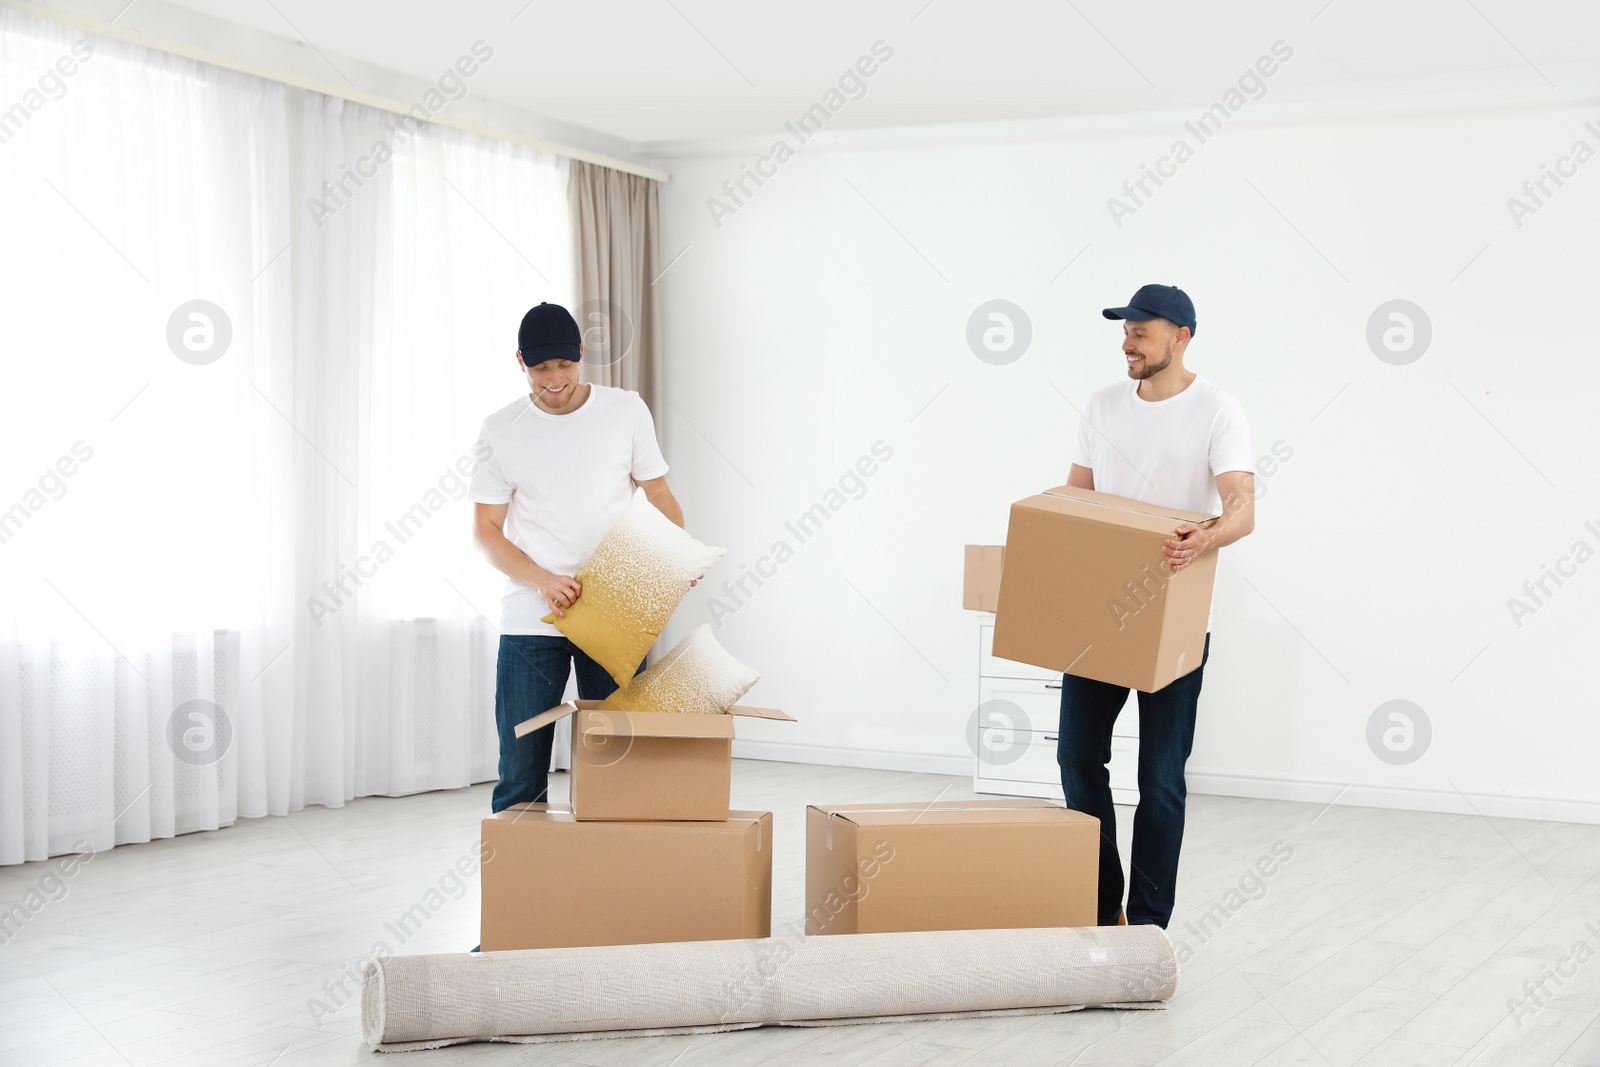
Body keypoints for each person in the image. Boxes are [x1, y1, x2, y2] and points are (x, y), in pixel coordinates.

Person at [1056, 284, 1255, 928]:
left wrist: (1206, 537)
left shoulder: (1218, 410)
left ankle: (1146, 927)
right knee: (1077, 760)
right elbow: (1075, 500)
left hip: (1174, 616)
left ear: (1181, 337)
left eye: (1141, 331)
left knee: (1160, 778)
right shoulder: (1102, 405)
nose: (1127, 342)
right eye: (1125, 330)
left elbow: (1242, 507)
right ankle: (1099, 905)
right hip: (1097, 618)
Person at [468, 301, 685, 813]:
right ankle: (522, 891)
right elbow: (485, 531)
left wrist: (677, 554)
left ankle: (610, 888)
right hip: (531, 615)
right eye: (542, 369)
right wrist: (542, 580)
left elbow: (658, 495)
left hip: (614, 610)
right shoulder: (501, 429)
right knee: (520, 771)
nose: (555, 380)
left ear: (581, 355)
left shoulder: (626, 410)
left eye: (564, 366)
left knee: (621, 770)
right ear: (521, 363)